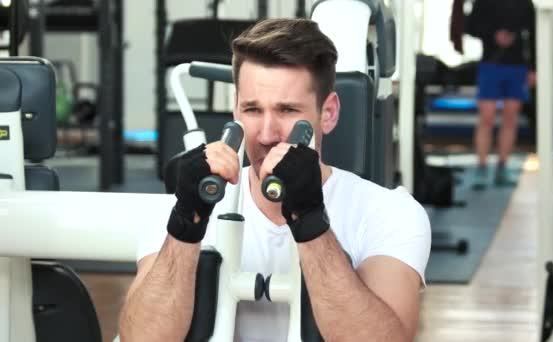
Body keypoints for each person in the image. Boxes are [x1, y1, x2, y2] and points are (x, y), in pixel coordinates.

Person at [118, 18, 431, 342]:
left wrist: (309, 221)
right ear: (236, 110)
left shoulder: (389, 212)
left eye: (287, 110)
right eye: (253, 110)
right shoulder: (189, 203)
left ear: (328, 113)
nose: (267, 134)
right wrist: (186, 223)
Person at [466, 0, 536, 189]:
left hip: (517, 66)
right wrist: (494, 35)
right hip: (491, 64)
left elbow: (534, 34)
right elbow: (470, 26)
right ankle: (481, 167)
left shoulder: (525, 4)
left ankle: (502, 167)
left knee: (510, 119)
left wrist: (533, 69)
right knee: (486, 118)